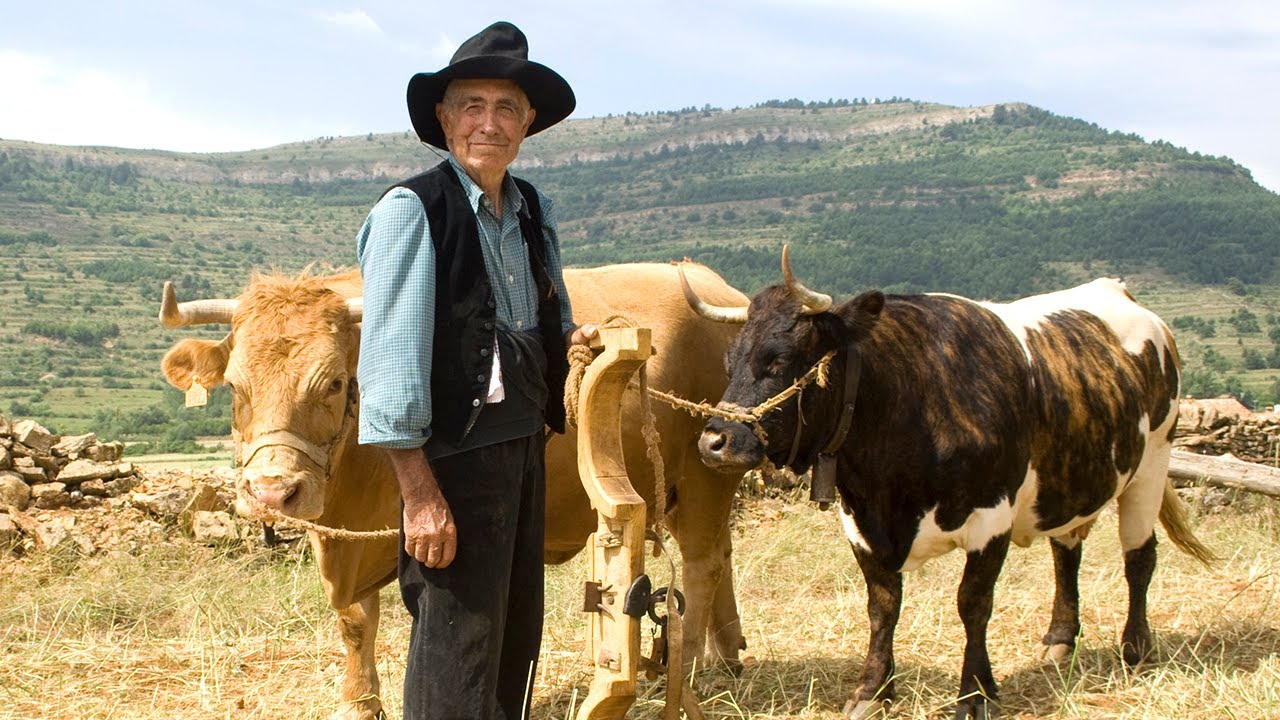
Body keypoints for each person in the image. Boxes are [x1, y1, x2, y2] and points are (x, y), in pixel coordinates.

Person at [354, 21, 595, 720]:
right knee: (455, 646)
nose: (488, 123)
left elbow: (541, 317)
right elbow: (393, 367)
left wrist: (575, 338)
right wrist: (420, 497)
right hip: (453, 460)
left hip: (523, 447)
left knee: (513, 634)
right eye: (472, 105)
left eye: (506, 108)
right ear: (443, 116)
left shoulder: (530, 212)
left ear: (528, 123)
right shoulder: (412, 212)